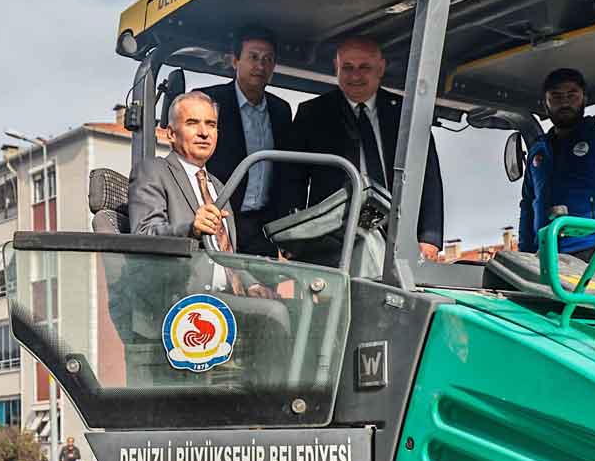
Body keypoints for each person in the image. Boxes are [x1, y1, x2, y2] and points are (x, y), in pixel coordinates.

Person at [288, 36, 444, 260]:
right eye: (347, 68)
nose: (355, 76)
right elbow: (293, 180)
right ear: (336, 68)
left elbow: (428, 177)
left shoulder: (407, 114)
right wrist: (294, 238)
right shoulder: (312, 113)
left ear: (380, 68)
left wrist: (429, 237)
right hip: (332, 237)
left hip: (397, 235)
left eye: (364, 68)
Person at [128, 91, 274, 296]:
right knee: (275, 314)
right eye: (192, 123)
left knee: (293, 308)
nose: (204, 132)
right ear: (171, 133)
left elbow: (228, 252)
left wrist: (251, 284)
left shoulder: (219, 186)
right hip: (183, 298)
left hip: (228, 296)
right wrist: (192, 230)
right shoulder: (153, 171)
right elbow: (144, 235)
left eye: (211, 124)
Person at [518, 68, 595, 265]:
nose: (564, 102)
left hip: (590, 252)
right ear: (545, 103)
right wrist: (525, 252)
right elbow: (528, 204)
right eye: (556, 96)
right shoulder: (538, 152)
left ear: (584, 99)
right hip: (544, 253)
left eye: (572, 95)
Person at [195, 26, 293, 257]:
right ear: (235, 60)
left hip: (263, 227)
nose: (260, 66)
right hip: (220, 219)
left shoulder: (281, 110)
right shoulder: (209, 101)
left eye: (268, 59)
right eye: (253, 57)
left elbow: (286, 172)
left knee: (262, 291)